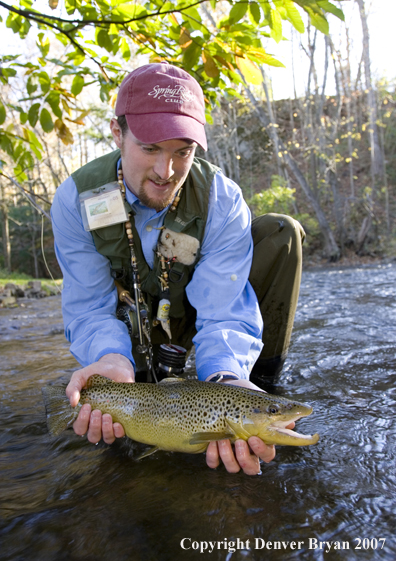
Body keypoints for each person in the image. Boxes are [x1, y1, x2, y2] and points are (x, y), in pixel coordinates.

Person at [51, 62, 304, 476]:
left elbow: (223, 308)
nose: (166, 172)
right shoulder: (77, 200)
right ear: (118, 134)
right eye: (150, 148)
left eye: (182, 151)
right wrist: (110, 359)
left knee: (281, 231)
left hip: (193, 314)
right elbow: (90, 307)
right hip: (131, 326)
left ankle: (258, 385)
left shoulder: (221, 199)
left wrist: (226, 380)